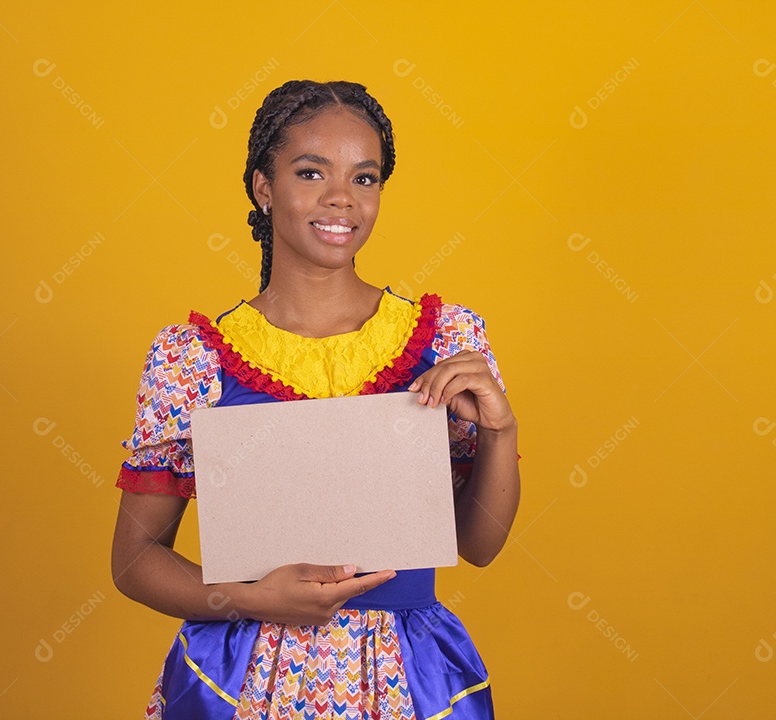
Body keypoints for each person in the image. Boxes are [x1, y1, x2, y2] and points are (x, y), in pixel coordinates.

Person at [110, 79, 521, 719]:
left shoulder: (445, 341)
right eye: (310, 172)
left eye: (366, 178)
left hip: (404, 678)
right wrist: (251, 598)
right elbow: (135, 561)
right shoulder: (195, 359)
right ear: (262, 188)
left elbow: (480, 545)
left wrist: (500, 433)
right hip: (244, 681)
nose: (341, 200)